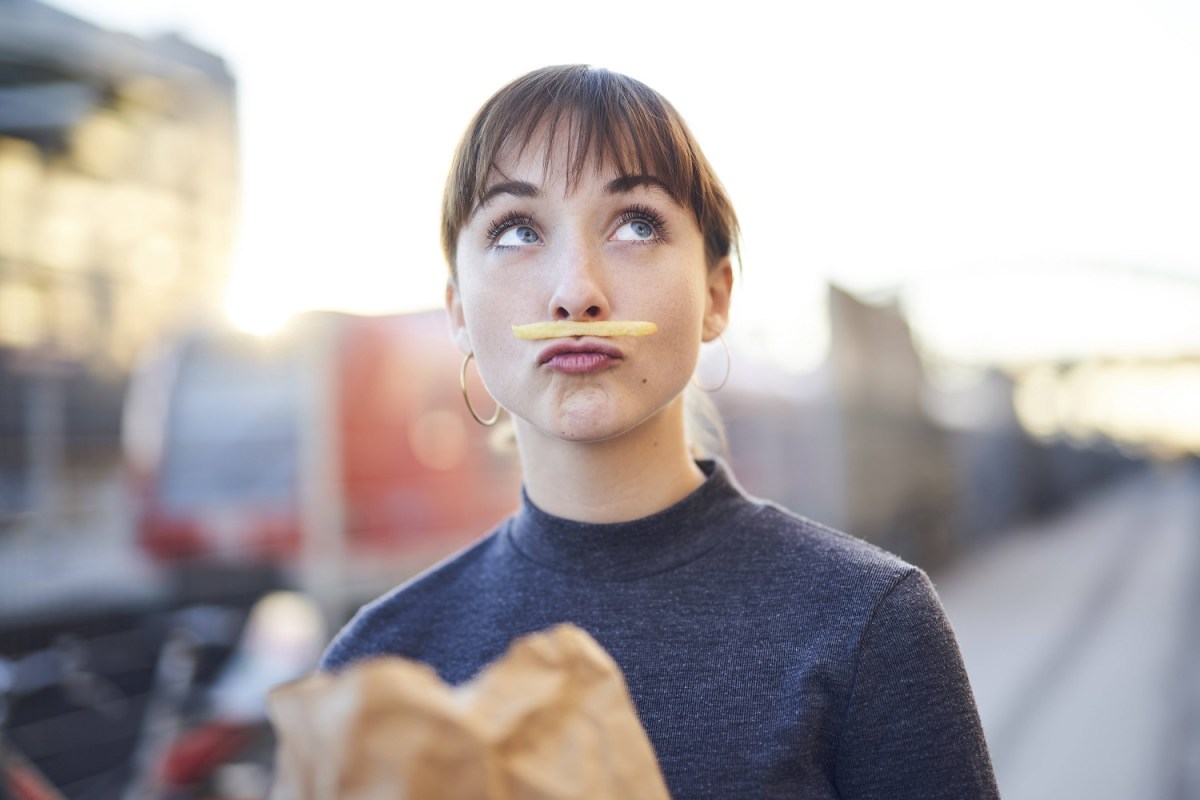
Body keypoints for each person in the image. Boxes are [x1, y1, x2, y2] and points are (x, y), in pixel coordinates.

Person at [322, 64, 1000, 798]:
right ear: (458, 312)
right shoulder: (382, 666)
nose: (576, 292)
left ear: (715, 296)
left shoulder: (870, 625)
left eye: (636, 224)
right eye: (517, 230)